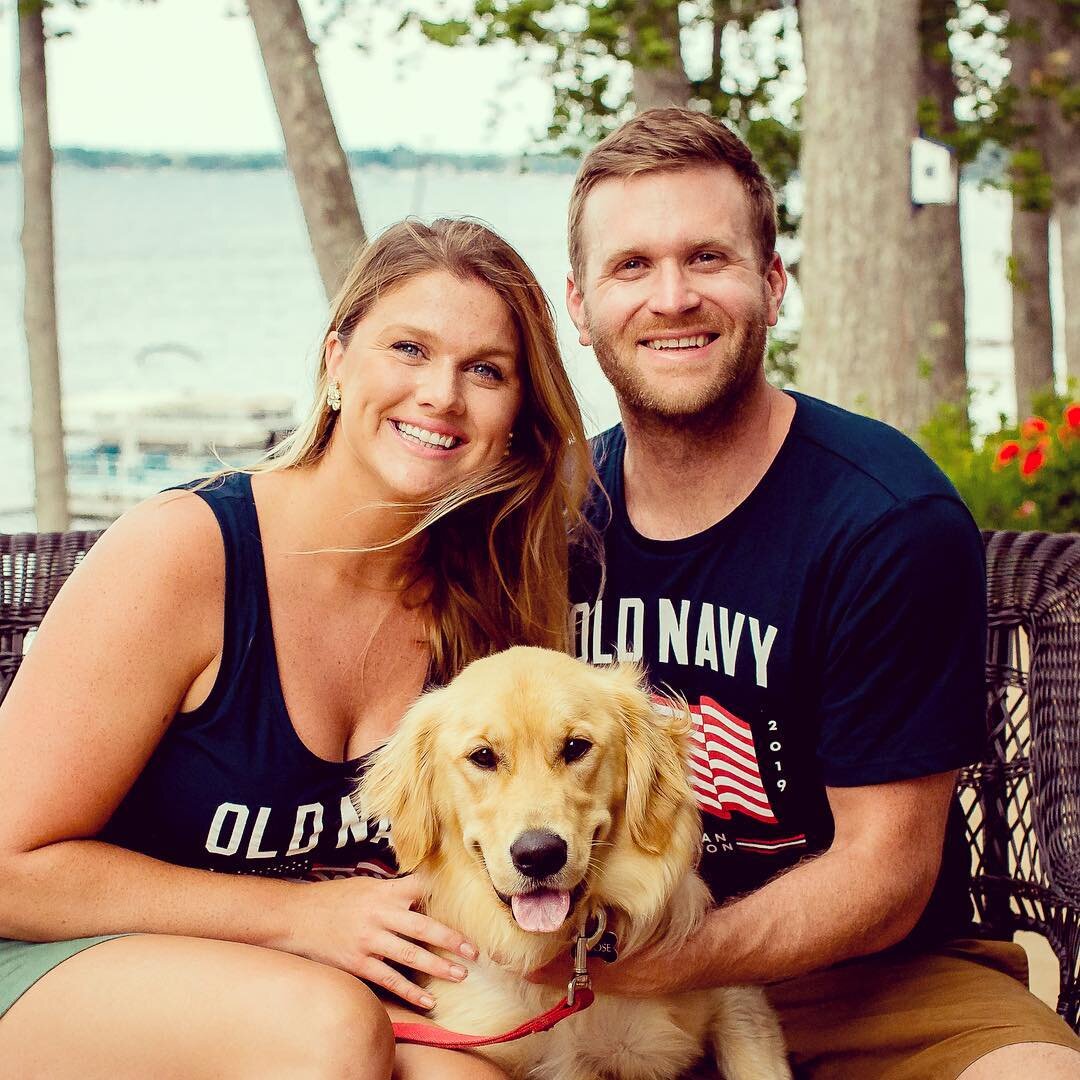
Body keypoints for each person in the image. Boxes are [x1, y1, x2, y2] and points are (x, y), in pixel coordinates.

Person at [0, 217, 592, 1078]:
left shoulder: (488, 611)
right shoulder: (186, 554)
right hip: (54, 963)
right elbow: (8, 867)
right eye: (409, 349)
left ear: (516, 415)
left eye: (486, 370)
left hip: (300, 985)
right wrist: (297, 919)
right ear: (336, 360)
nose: (441, 395)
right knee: (327, 1029)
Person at [558, 108, 1080, 1078]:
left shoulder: (884, 519)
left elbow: (885, 876)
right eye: (632, 266)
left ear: (771, 283)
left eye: (707, 257)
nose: (672, 297)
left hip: (864, 980)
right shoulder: (547, 525)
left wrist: (659, 964)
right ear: (580, 307)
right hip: (592, 975)